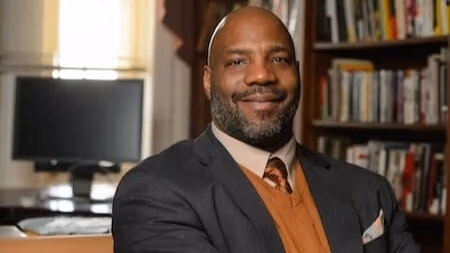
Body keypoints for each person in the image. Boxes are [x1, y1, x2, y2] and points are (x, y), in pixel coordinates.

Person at [112, 6, 420, 253]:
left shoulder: (368, 190)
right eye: (237, 62)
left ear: (297, 73)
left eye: (278, 59)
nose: (261, 75)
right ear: (208, 81)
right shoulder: (154, 192)